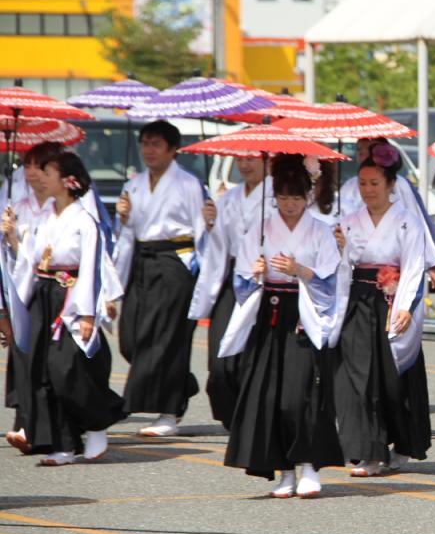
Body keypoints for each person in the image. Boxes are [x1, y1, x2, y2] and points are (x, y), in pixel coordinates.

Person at [221, 154, 345, 498]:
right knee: (271, 396)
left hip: (303, 314)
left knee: (300, 395)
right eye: (283, 198)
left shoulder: (320, 231)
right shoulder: (260, 229)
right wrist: (256, 271)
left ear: (308, 196)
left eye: (296, 197)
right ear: (274, 197)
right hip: (269, 315)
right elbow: (242, 279)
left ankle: (308, 465)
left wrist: (299, 270)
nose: (289, 205)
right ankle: (285, 470)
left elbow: (330, 280)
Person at [10, 152, 124, 465]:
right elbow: (27, 263)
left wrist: (88, 312)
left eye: (47, 171)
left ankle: (98, 422)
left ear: (67, 181)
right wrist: (13, 307)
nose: (40, 178)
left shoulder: (84, 220)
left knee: (67, 370)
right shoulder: (44, 216)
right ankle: (63, 444)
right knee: (41, 370)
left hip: (71, 296)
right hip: (42, 295)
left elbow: (91, 267)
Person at [334, 142, 432, 476]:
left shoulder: (407, 222)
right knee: (359, 378)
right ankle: (367, 450)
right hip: (357, 302)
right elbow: (339, 268)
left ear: (391, 185)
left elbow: (414, 265)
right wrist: (341, 249)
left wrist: (404, 307)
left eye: (375, 183)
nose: (368, 190)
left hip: (390, 298)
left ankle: (397, 443)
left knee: (391, 380)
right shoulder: (348, 223)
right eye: (363, 184)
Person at [113, 120, 214, 436]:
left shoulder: (187, 184)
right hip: (142, 261)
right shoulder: (134, 185)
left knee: (168, 338)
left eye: (156, 144)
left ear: (173, 150)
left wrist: (205, 277)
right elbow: (127, 236)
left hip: (176, 262)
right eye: (145, 143)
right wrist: (124, 219)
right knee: (131, 338)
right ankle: (182, 383)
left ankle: (169, 411)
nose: (148, 150)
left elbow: (202, 233)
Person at [189, 156, 272, 428]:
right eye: (241, 158)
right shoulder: (229, 197)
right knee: (220, 357)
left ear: (267, 160)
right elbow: (216, 246)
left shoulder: (278, 195)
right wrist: (211, 224)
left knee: (254, 355)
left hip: (267, 277)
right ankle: (232, 415)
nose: (245, 165)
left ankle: (253, 416)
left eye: (252, 158)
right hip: (233, 276)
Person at [337, 139, 435, 295]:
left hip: (397, 270)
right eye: (359, 151)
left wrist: (434, 263)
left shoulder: (400, 185)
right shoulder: (349, 186)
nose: (362, 155)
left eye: (367, 150)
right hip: (358, 275)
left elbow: (420, 222)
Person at [3, 141, 60, 452]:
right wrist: (8, 234)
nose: (33, 173)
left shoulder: (62, 207)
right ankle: (26, 422)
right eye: (28, 166)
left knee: (49, 362)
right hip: (21, 287)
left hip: (55, 288)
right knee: (25, 357)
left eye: (41, 167)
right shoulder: (17, 203)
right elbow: (15, 256)